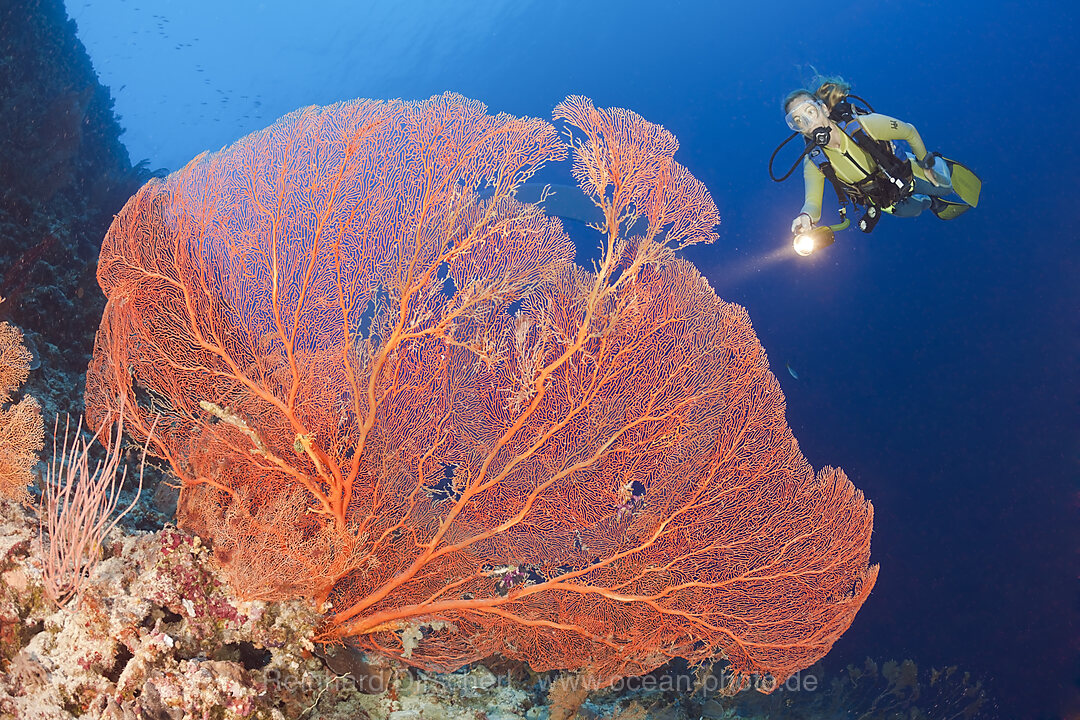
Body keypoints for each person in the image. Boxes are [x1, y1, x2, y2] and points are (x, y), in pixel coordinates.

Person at [782, 76, 978, 237]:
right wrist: (806, 216)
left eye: (810, 112)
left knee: (944, 186)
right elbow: (812, 202)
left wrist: (925, 161)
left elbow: (909, 131)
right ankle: (933, 204)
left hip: (905, 172)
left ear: (823, 109)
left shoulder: (864, 126)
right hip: (879, 198)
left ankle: (942, 166)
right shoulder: (814, 162)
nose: (809, 122)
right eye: (798, 121)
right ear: (798, 130)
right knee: (911, 210)